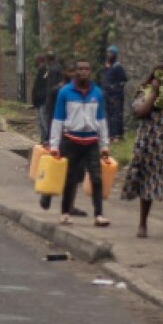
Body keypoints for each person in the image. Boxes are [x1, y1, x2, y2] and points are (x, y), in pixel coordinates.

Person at [122, 63, 163, 240]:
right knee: (147, 183)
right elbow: (139, 112)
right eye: (160, 75)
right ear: (153, 76)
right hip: (150, 147)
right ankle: (142, 224)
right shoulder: (144, 91)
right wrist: (153, 92)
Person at [50, 59, 111, 227]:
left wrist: (104, 145)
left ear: (90, 71)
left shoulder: (97, 93)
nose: (83, 72)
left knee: (96, 179)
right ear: (75, 72)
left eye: (86, 69)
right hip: (72, 140)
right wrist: (54, 145)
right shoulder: (65, 92)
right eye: (80, 69)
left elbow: (101, 120)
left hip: (91, 141)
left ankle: (99, 214)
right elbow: (57, 119)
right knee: (70, 179)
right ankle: (65, 212)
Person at [38, 62, 86, 216]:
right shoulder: (57, 91)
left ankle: (70, 206)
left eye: (76, 71)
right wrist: (50, 139)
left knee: (77, 174)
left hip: (79, 137)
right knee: (58, 168)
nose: (74, 74)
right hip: (62, 137)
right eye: (71, 71)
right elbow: (50, 116)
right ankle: (47, 194)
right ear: (65, 72)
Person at [101, 46, 129, 142]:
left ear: (114, 55)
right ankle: (110, 135)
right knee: (108, 115)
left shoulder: (117, 67)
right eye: (108, 53)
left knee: (116, 115)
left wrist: (115, 88)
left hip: (116, 95)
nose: (109, 55)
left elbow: (123, 80)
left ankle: (117, 135)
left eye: (111, 53)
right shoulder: (107, 66)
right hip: (107, 94)